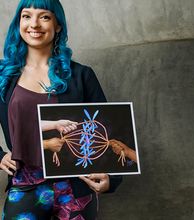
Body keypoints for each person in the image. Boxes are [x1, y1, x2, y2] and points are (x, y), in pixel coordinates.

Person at [0, 0, 122, 219]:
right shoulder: (3, 77)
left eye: (44, 17)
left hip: (76, 186)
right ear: (19, 23)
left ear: (58, 25)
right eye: (26, 16)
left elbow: (109, 130)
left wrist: (111, 178)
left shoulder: (81, 75)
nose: (34, 24)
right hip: (25, 183)